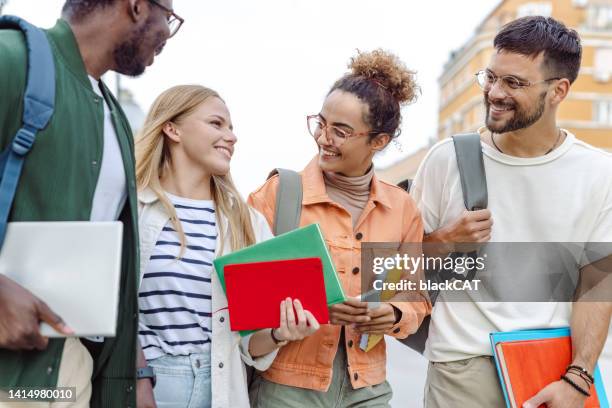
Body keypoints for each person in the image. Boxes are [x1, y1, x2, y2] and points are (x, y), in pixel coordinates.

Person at [411, 16, 612, 407]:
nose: (494, 92)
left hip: (551, 369)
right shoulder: (445, 160)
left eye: (514, 83)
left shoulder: (600, 174)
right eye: (491, 77)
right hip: (460, 369)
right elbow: (393, 273)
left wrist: (578, 379)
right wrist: (444, 241)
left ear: (559, 91)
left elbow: (597, 286)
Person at [0, 1, 181, 406]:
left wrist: (137, 374)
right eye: (169, 18)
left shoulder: (116, 117)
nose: (168, 35)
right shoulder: (11, 59)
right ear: (135, 6)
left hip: (71, 371)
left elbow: (110, 273)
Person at [248, 49, 431, 408]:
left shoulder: (402, 209)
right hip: (287, 389)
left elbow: (414, 299)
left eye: (341, 131)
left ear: (378, 142)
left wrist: (389, 314)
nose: (323, 138)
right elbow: (243, 301)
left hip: (368, 389)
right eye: (321, 123)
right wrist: (311, 308)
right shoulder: (278, 195)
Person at [135, 84, 320, 408]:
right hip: (149, 384)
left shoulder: (246, 223)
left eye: (232, 128)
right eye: (216, 124)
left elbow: (250, 343)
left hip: (221, 388)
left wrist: (281, 334)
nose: (231, 137)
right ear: (172, 128)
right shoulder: (133, 209)